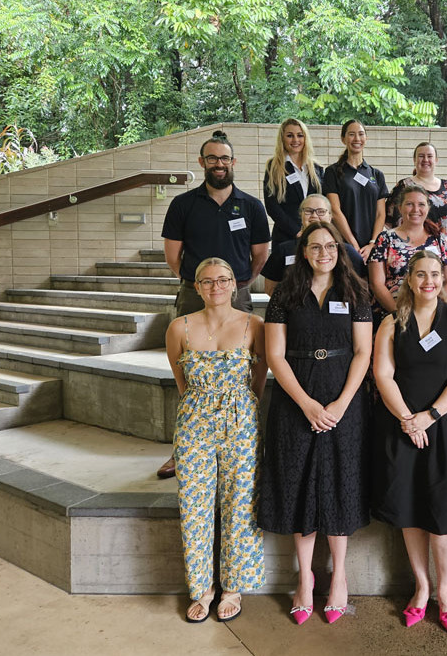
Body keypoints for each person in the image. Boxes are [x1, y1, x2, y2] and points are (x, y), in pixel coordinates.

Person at [258, 221, 373, 626]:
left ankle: (338, 576)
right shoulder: (283, 295)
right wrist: (307, 404)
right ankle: (304, 578)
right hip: (295, 400)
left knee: (340, 481)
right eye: (315, 246)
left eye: (330, 246)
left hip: (344, 398)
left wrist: (341, 404)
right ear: (302, 251)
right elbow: (275, 356)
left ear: (339, 250)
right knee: (299, 481)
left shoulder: (355, 291)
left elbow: (363, 352)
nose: (323, 252)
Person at [372, 250, 447, 634]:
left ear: (444, 279)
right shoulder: (392, 321)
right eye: (420, 275)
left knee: (444, 510)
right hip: (403, 427)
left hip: (446, 427)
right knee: (409, 508)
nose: (428, 282)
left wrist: (430, 416)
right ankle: (421, 588)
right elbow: (384, 375)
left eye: (435, 274)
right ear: (409, 279)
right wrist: (407, 418)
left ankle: (446, 589)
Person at [158, 129, 271, 479]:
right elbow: (172, 255)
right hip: (196, 293)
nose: (219, 164)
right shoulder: (183, 205)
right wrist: (201, 283)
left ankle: (244, 440)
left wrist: (237, 284)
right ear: (201, 163)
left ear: (233, 162)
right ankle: (184, 449)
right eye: (212, 158)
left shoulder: (251, 206)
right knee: (192, 371)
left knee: (244, 365)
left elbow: (261, 254)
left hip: (237, 292)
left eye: (224, 158)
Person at [165, 257, 268, 623]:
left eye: (223, 280)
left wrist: (238, 404)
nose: (216, 287)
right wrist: (204, 405)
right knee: (195, 504)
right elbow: (183, 383)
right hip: (194, 422)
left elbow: (258, 378)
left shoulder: (254, 325)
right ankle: (202, 588)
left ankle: (233, 586)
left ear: (235, 284)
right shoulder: (179, 327)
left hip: (241, 421)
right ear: (197, 287)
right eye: (207, 282)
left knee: (240, 501)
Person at [369, 185, 447, 325]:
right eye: (409, 204)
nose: (416, 210)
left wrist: (434, 313)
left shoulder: (441, 240)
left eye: (421, 204)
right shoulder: (385, 239)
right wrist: (399, 315)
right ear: (400, 208)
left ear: (428, 208)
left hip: (433, 317)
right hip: (393, 315)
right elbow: (376, 283)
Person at [261, 195, 365, 295]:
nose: (314, 216)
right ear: (301, 215)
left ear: (330, 216)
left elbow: (363, 284)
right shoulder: (283, 250)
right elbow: (270, 288)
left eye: (321, 211)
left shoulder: (348, 251)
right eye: (308, 211)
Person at [323, 119, 389, 259]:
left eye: (361, 134)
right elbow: (334, 210)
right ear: (343, 139)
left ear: (366, 138)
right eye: (351, 134)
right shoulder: (332, 172)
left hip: (371, 247)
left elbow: (380, 214)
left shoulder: (376, 175)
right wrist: (353, 244)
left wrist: (373, 243)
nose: (357, 139)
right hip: (344, 244)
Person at [263, 118, 324, 251]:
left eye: (300, 135)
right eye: (290, 135)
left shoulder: (316, 168)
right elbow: (272, 205)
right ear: (282, 139)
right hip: (286, 236)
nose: (295, 140)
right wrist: (296, 231)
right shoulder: (273, 167)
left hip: (315, 236)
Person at [389, 142, 447, 251]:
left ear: (436, 160)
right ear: (414, 160)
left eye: (430, 156)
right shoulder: (403, 186)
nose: (425, 160)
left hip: (444, 250)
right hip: (410, 250)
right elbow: (389, 219)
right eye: (421, 156)